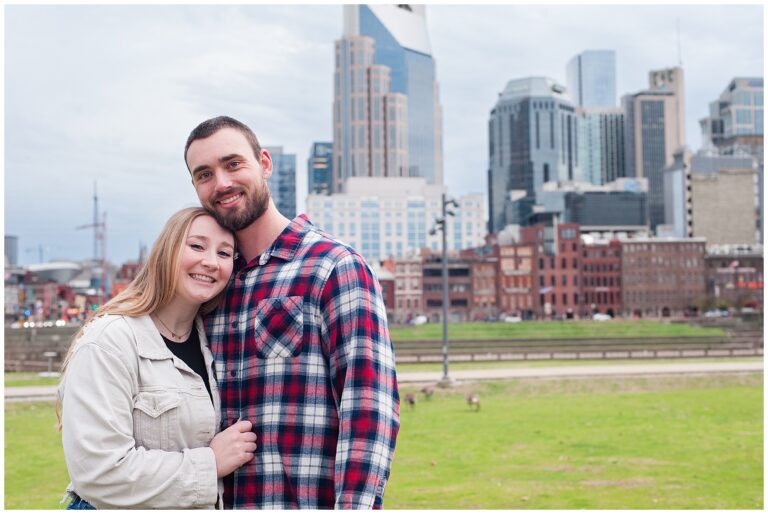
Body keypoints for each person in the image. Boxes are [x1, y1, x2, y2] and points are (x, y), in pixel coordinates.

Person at [184, 116, 400, 509]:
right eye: (204, 174)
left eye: (233, 164)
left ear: (264, 164)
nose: (222, 183)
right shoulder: (207, 286)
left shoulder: (334, 267)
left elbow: (369, 411)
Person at [58, 207, 258, 509]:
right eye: (196, 246)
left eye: (224, 253)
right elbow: (98, 473)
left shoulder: (214, 342)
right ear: (166, 251)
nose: (210, 262)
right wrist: (211, 463)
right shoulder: (110, 339)